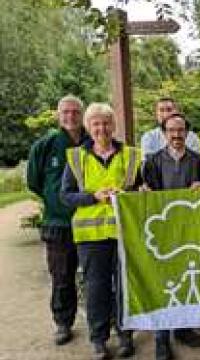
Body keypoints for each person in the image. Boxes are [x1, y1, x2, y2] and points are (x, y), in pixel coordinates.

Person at [60, 103, 142, 360]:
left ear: (113, 126)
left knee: (124, 287)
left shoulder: (131, 156)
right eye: (95, 123)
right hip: (91, 237)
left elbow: (141, 189)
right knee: (96, 288)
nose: (101, 128)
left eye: (105, 123)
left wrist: (129, 193)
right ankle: (99, 340)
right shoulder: (76, 158)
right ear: (88, 127)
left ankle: (125, 335)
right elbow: (65, 196)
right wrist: (93, 197)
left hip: (124, 232)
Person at [142, 112, 200, 360]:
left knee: (187, 280)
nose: (176, 135)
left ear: (187, 133)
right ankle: (161, 339)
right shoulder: (151, 162)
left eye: (181, 130)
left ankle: (182, 328)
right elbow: (147, 198)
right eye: (171, 130)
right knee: (163, 285)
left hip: (191, 232)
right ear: (164, 133)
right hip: (163, 233)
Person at [27, 95, 88, 346]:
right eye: (66, 112)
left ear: (82, 114)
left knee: (97, 275)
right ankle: (63, 322)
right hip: (58, 224)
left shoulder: (92, 140)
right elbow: (34, 181)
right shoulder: (45, 145)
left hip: (91, 220)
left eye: (75, 112)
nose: (71, 116)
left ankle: (103, 321)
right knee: (62, 276)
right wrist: (56, 200)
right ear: (58, 115)